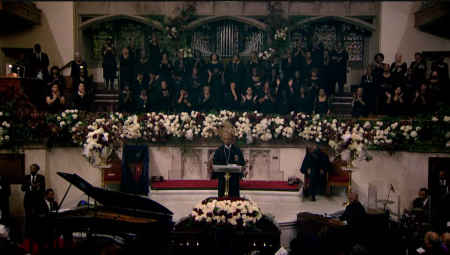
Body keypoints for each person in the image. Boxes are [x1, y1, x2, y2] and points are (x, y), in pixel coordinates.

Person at [212, 122, 245, 197]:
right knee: (222, 195)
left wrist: (237, 161)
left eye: (228, 139)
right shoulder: (219, 150)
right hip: (222, 177)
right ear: (223, 139)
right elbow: (215, 162)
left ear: (232, 139)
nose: (227, 141)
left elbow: (242, 162)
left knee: (234, 196)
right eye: (225, 139)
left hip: (234, 177)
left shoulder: (237, 150)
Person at [21, 164, 46, 238]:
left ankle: (37, 235)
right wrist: (30, 187)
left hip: (38, 201)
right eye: (31, 169)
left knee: (37, 219)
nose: (32, 170)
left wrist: (37, 187)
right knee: (28, 218)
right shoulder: (26, 178)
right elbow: (23, 188)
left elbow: (43, 189)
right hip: (28, 201)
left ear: (37, 170)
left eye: (34, 169)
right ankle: (27, 236)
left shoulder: (41, 178)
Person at [37, 189, 59, 255]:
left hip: (52, 224)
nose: (53, 196)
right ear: (46, 196)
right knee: (46, 230)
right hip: (43, 225)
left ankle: (51, 248)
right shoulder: (40, 203)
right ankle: (42, 250)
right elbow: (38, 215)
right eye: (51, 195)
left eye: (53, 195)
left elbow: (57, 214)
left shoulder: (55, 203)